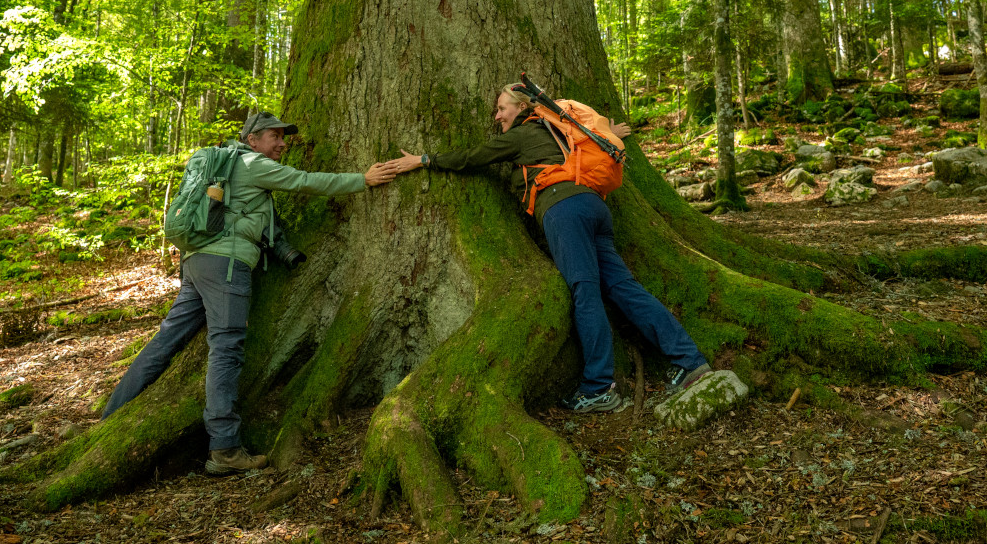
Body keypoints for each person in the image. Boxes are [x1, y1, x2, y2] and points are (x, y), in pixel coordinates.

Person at [102, 112, 396, 474]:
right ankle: (224, 448)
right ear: (253, 138)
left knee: (166, 341)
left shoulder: (226, 163)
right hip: (225, 265)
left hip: (196, 261)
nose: (283, 143)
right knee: (226, 350)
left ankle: (111, 417)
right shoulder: (253, 163)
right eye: (275, 136)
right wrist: (361, 179)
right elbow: (304, 181)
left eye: (282, 137)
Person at [388, 84, 711, 413]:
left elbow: (474, 157)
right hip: (594, 206)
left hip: (564, 212)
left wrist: (424, 159)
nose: (497, 115)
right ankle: (690, 361)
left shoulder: (522, 134)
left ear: (521, 107)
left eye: (502, 108)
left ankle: (598, 387)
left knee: (585, 292)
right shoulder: (560, 127)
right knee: (623, 287)